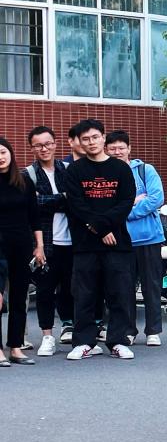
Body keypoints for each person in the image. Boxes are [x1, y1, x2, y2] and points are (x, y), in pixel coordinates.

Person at [64, 119, 137, 360]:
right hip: (85, 244)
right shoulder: (74, 170)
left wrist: (104, 226)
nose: (91, 142)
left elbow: (126, 202)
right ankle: (84, 342)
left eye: (95, 137)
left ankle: (118, 341)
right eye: (85, 139)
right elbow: (76, 205)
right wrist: (101, 230)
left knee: (119, 294)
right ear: (79, 142)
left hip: (118, 243)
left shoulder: (120, 169)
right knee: (84, 295)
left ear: (103, 138)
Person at [104, 131, 165, 347]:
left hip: (149, 238)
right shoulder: (105, 175)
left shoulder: (145, 170)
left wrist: (125, 211)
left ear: (129, 149)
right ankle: (128, 330)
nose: (117, 152)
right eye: (112, 148)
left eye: (121, 148)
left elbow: (156, 198)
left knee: (152, 286)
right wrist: (133, 202)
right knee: (124, 288)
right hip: (121, 240)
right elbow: (105, 206)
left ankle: (153, 331)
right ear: (106, 150)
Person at [26, 125, 74, 353]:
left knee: (71, 288)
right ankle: (47, 336)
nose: (44, 149)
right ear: (32, 148)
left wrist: (47, 199)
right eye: (38, 145)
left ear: (55, 144)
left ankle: (69, 325)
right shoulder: (28, 175)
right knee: (45, 290)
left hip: (72, 240)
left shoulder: (69, 170)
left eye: (47, 144)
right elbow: (32, 205)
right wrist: (62, 198)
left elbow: (75, 200)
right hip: (44, 242)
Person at [0, 137, 44, 365]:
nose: (0, 157)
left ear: (10, 153)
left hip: (21, 244)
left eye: (3, 152)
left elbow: (34, 217)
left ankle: (15, 348)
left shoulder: (24, 181)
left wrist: (39, 246)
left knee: (19, 296)